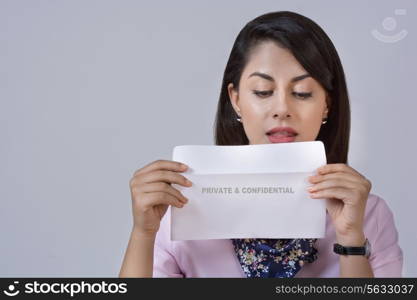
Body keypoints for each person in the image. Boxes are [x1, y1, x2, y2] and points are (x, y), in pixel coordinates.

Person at [119, 11, 403, 278]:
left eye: (302, 93)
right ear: (236, 99)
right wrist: (143, 233)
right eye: (263, 91)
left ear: (327, 104)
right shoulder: (178, 212)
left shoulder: (368, 215)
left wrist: (351, 237)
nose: (282, 108)